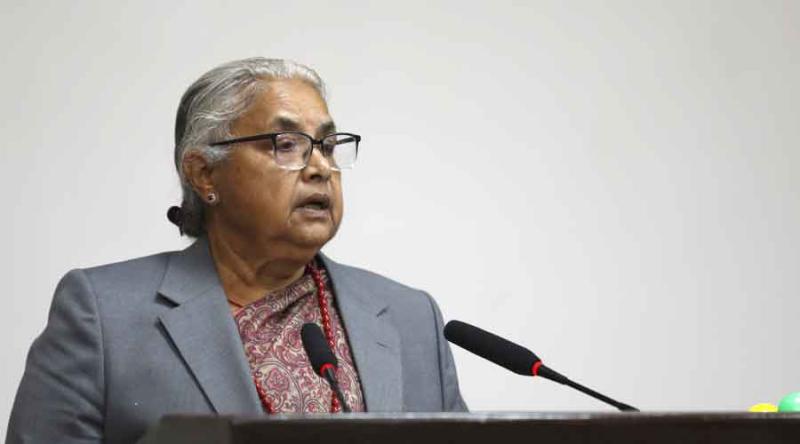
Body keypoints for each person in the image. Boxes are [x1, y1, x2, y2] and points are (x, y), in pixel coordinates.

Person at [7, 58, 466, 444]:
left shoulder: (411, 319)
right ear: (204, 174)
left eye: (327, 146)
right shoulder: (104, 317)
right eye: (287, 145)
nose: (321, 168)